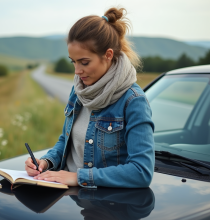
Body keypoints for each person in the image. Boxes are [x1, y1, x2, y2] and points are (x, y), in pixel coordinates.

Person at [25, 7, 155, 188]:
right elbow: (66, 141)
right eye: (74, 61)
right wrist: (46, 162)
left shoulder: (133, 101)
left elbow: (141, 172)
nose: (77, 71)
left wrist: (78, 177)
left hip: (103, 204)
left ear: (108, 55)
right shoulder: (78, 91)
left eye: (84, 62)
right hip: (66, 197)